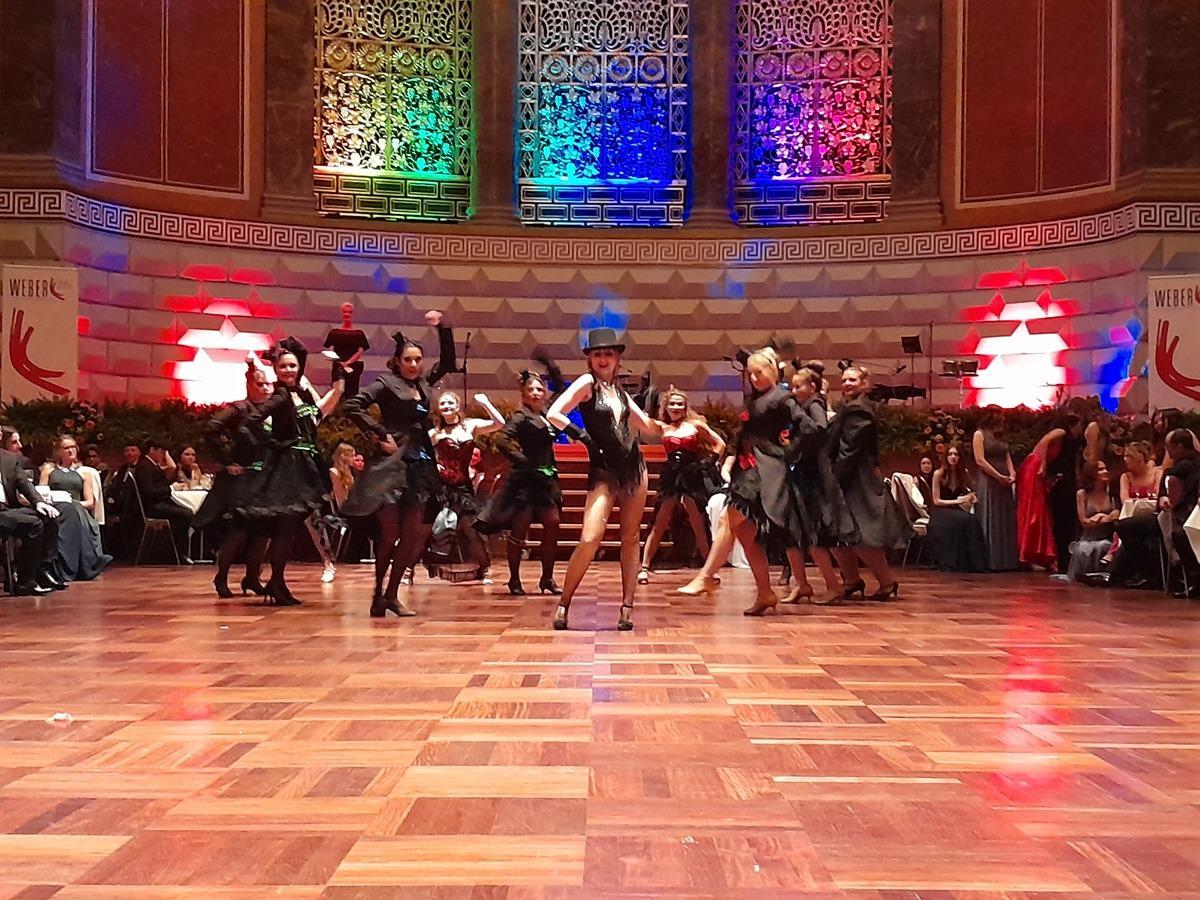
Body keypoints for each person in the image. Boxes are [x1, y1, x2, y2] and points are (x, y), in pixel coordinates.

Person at [342, 311, 458, 618]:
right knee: (389, 535)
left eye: (418, 359)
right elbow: (352, 405)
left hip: (420, 463)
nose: (414, 364)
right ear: (397, 361)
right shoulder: (386, 383)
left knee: (412, 535)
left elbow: (448, 362)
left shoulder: (423, 384)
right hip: (392, 466)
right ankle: (378, 594)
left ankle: (391, 596)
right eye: (408, 359)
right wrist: (380, 434)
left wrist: (443, 328)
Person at [678, 348, 810, 615]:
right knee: (746, 535)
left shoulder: (782, 398)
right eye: (751, 373)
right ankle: (765, 593)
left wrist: (786, 452)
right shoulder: (757, 398)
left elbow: (809, 427)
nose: (753, 378)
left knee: (729, 519)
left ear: (772, 371)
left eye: (759, 372)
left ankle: (706, 576)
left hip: (762, 472)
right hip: (747, 469)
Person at [547, 327, 662, 631]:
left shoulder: (620, 393)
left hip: (634, 468)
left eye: (608, 354)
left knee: (630, 538)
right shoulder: (587, 384)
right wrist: (582, 437)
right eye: (597, 353)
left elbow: (646, 425)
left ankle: (627, 608)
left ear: (617, 358)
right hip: (603, 472)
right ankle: (564, 603)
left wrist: (678, 424)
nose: (603, 359)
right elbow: (554, 413)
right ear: (590, 358)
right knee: (589, 538)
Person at [239, 337, 344, 605]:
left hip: (304, 467)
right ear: (276, 369)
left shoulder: (302, 393)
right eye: (283, 366)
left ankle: (277, 583)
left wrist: (338, 378)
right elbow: (252, 421)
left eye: (293, 366)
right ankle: (276, 584)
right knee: (284, 528)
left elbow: (318, 415)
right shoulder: (281, 395)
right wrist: (275, 444)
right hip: (287, 469)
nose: (288, 370)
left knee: (289, 528)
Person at [475, 367, 566, 596]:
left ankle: (547, 578)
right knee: (519, 530)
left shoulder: (546, 415)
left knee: (553, 525)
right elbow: (502, 439)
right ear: (523, 394)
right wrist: (523, 460)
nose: (535, 393)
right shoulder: (521, 416)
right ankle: (514, 580)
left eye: (539, 389)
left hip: (546, 481)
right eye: (531, 389)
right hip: (526, 482)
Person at [826, 365, 909, 600]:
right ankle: (852, 580)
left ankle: (886, 583)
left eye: (852, 380)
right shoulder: (852, 407)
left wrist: (833, 478)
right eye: (844, 379)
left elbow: (849, 451)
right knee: (838, 532)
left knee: (862, 536)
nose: (847, 383)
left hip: (856, 480)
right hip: (852, 477)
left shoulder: (858, 410)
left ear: (864, 383)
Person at [194, 358, 274, 599]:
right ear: (249, 385)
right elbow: (212, 428)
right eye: (260, 384)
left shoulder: (270, 410)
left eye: (267, 384)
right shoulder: (240, 408)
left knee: (263, 530)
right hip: (243, 479)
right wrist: (227, 461)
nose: (265, 388)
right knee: (238, 530)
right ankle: (221, 577)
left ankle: (252, 577)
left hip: (263, 476)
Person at [784, 365, 859, 604]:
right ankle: (805, 584)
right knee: (799, 534)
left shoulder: (814, 404)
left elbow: (818, 428)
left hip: (813, 477)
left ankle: (833, 586)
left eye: (798, 386)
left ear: (813, 387)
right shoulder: (806, 405)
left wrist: (793, 448)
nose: (794, 390)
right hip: (806, 473)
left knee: (813, 534)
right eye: (792, 386)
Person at [638, 389, 725, 584]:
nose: (676, 407)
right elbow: (640, 421)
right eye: (672, 404)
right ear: (666, 407)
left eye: (680, 404)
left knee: (698, 521)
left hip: (691, 473)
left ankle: (710, 569)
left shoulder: (695, 425)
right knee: (660, 520)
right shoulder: (662, 427)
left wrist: (708, 463)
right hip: (671, 474)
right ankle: (644, 567)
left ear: (685, 407)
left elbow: (719, 443)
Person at [430, 390, 505, 582]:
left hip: (462, 487)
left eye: (450, 403)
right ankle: (408, 571)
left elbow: (499, 423)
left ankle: (485, 568)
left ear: (458, 406)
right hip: (441, 486)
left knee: (472, 529)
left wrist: (485, 403)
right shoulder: (434, 433)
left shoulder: (470, 426)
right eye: (443, 404)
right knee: (426, 529)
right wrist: (434, 465)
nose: (446, 406)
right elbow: (422, 455)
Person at [37, 435, 112, 582]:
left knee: (73, 511)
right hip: (55, 507)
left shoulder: (85, 473)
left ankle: (80, 565)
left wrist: (71, 503)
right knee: (64, 512)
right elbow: (42, 493)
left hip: (77, 507)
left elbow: (90, 502)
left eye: (73, 447)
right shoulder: (48, 469)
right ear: (58, 451)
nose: (71, 450)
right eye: (66, 448)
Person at [1016, 414, 1084, 571]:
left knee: (1040, 512)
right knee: (1034, 510)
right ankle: (1030, 555)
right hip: (1034, 468)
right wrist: (1042, 465)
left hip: (1037, 467)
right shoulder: (1062, 431)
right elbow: (1044, 441)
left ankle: (1038, 555)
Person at [108, 442, 194, 563]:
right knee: (185, 515)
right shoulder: (145, 467)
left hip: (157, 503)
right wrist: (171, 488)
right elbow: (148, 492)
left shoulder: (151, 465)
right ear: (152, 450)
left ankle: (175, 551)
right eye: (161, 452)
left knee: (186, 511)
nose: (163, 455)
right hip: (151, 507)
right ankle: (178, 552)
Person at [0, 445, 64, 595]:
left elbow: (24, 483)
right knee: (33, 524)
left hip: (6, 509)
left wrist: (39, 502)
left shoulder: (9, 458)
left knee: (49, 516)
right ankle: (25, 581)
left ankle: (42, 570)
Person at [926, 445, 990, 573]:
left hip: (955, 510)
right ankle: (957, 563)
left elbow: (973, 490)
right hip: (940, 511)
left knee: (971, 520)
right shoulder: (938, 474)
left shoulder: (964, 473)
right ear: (946, 457)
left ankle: (976, 564)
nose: (953, 457)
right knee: (966, 520)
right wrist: (958, 501)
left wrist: (972, 497)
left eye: (956, 454)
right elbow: (936, 501)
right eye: (950, 454)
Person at [1056, 460, 1118, 583]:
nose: (1105, 471)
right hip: (1088, 537)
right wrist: (1103, 518)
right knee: (1083, 549)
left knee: (1102, 546)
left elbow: (1116, 514)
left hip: (1107, 536)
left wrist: (1100, 518)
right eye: (1100, 469)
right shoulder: (1082, 494)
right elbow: (1084, 522)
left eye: (1105, 468)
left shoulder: (1111, 492)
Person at [972, 409, 1018, 571]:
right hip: (989, 479)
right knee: (991, 516)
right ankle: (991, 560)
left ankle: (1007, 560)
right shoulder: (979, 434)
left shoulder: (1001, 435)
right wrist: (998, 476)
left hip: (1004, 479)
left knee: (1004, 518)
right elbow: (980, 460)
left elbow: (1007, 456)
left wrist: (1012, 474)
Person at [307, 441, 357, 584]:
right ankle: (328, 564)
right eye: (352, 456)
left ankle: (329, 563)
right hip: (330, 508)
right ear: (343, 456)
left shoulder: (348, 473)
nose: (354, 459)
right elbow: (339, 497)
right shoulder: (334, 472)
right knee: (319, 531)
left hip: (342, 508)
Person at [324, 301, 371, 398]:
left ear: (353, 314)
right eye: (345, 312)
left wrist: (347, 363)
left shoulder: (359, 334)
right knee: (337, 391)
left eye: (350, 312)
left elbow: (360, 351)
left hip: (353, 367)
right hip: (338, 366)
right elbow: (331, 349)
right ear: (341, 313)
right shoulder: (334, 333)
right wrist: (340, 362)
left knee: (352, 392)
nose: (347, 314)